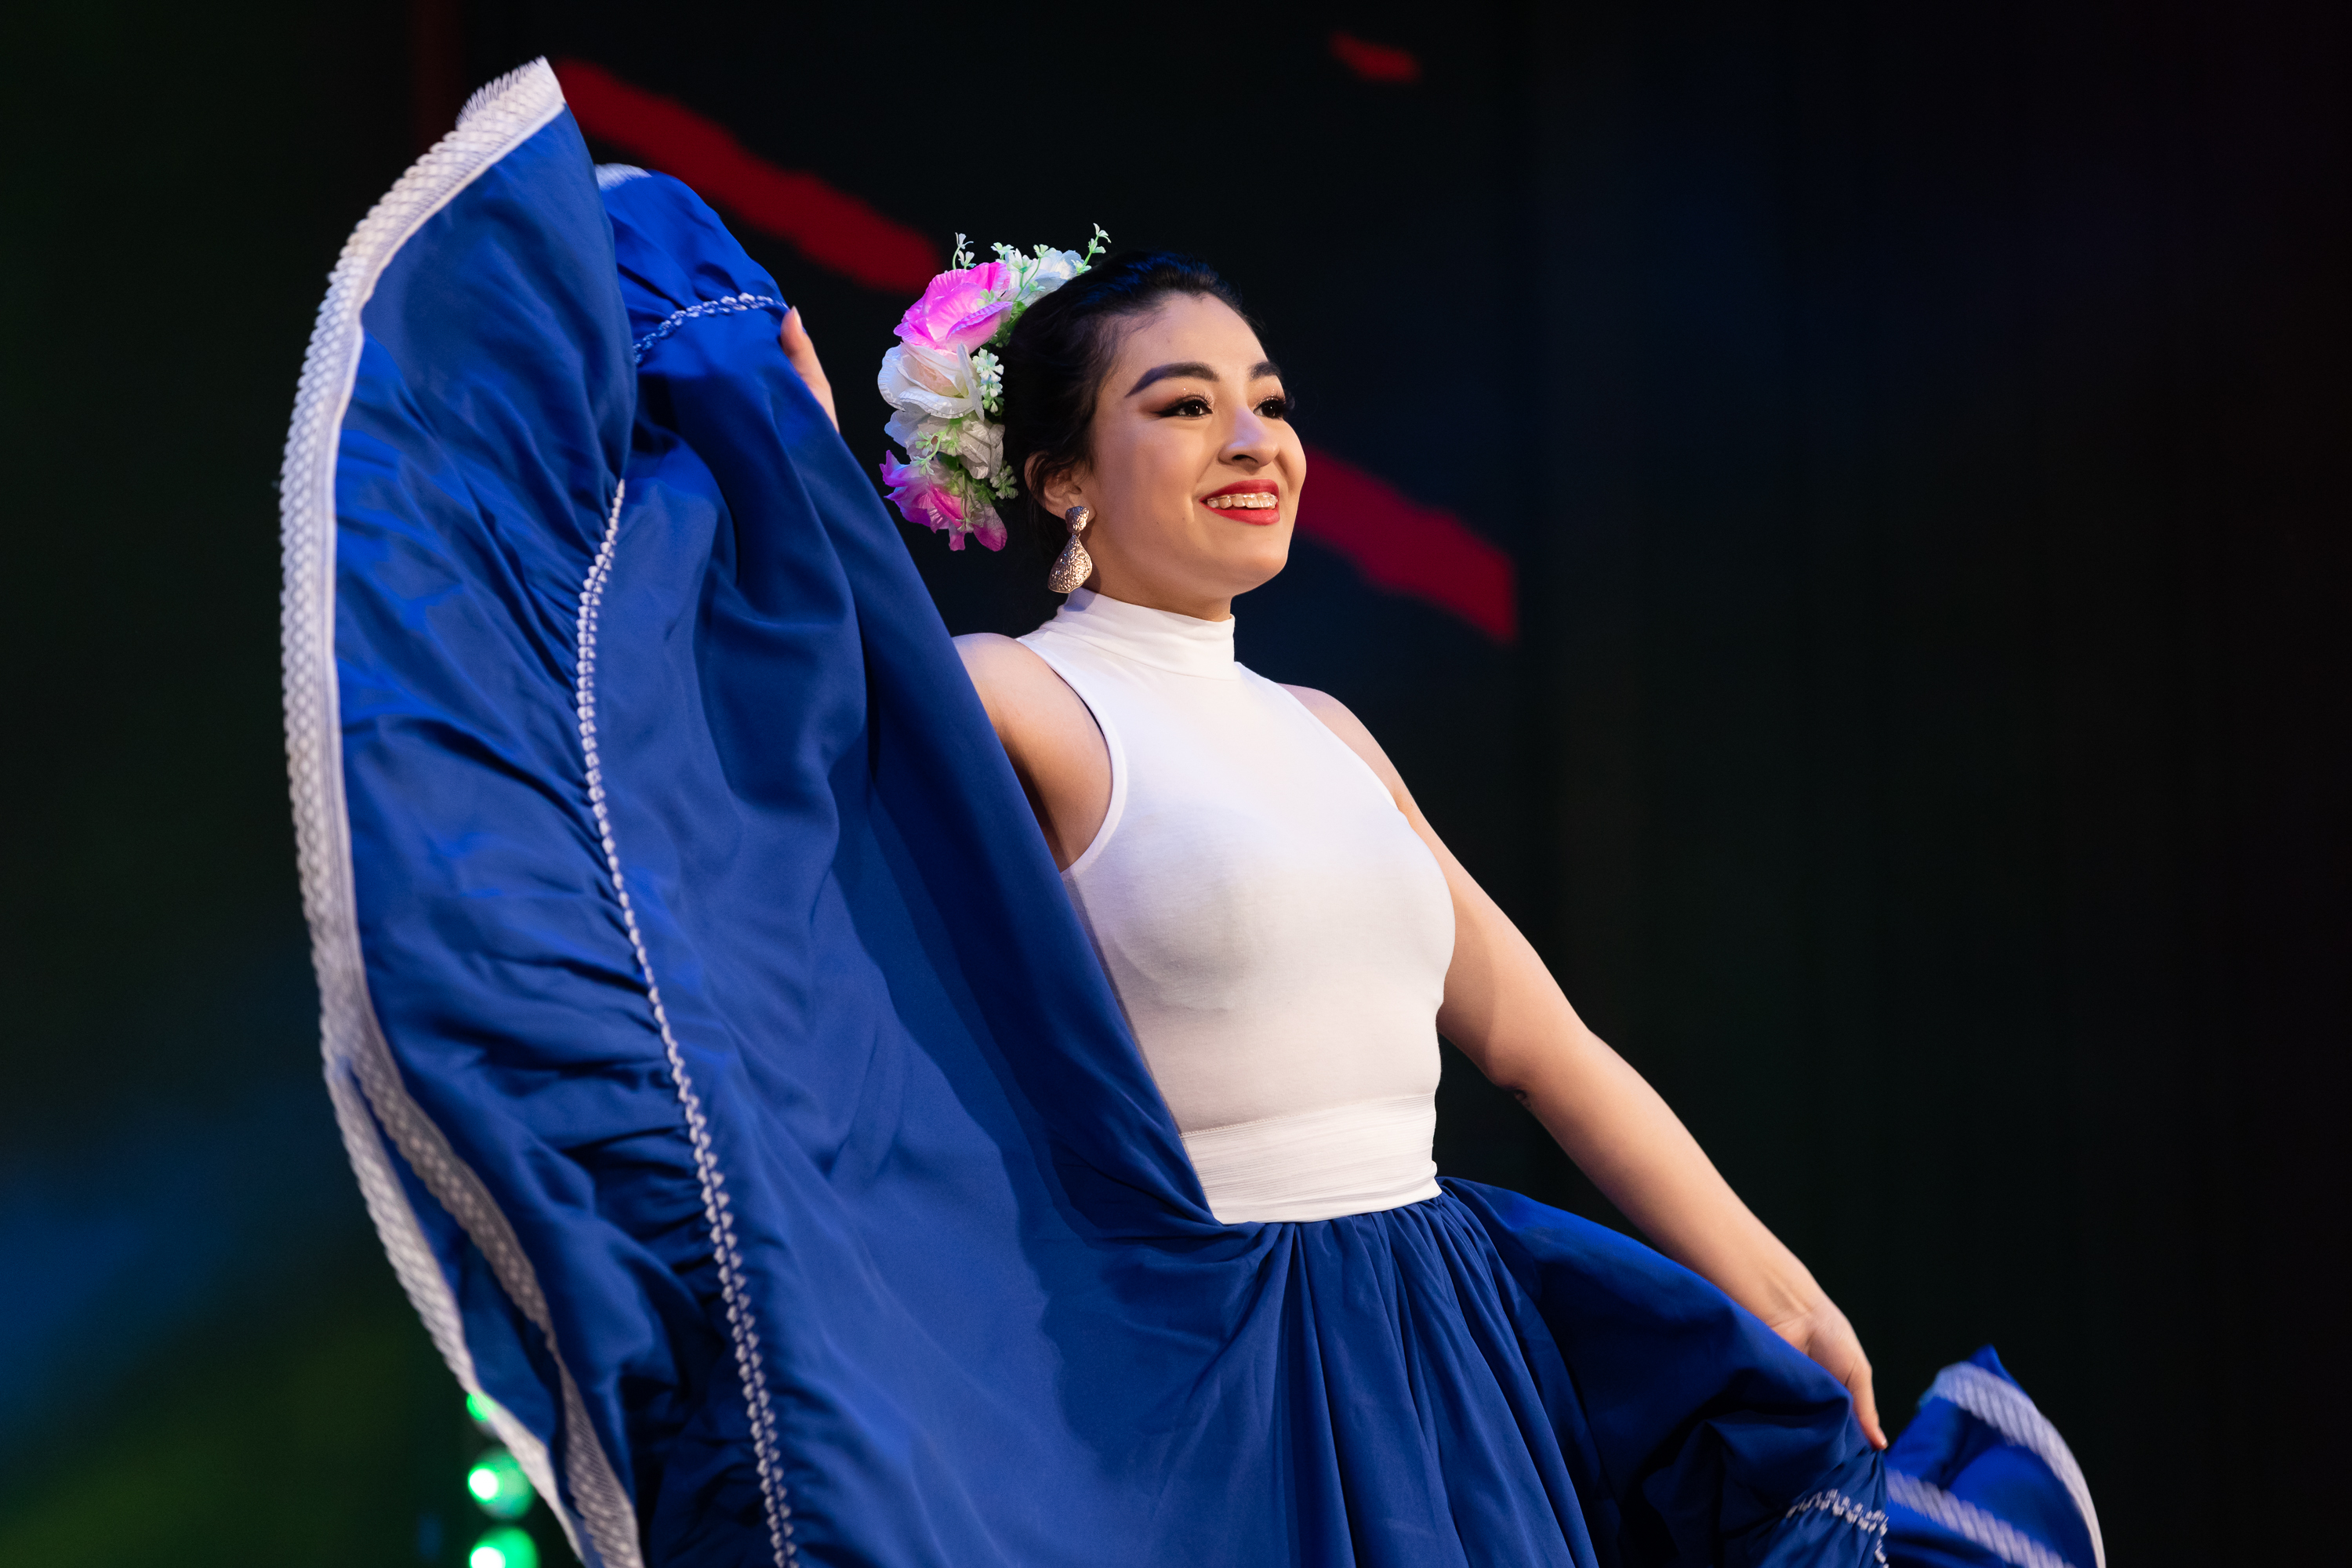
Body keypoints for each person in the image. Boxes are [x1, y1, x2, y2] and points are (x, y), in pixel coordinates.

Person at [285, 60, 2100, 1568]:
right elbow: (778, 712)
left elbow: (1545, 1044)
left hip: (1449, 1347)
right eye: (1183, 404)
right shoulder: (1026, 698)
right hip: (1213, 1379)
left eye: (1270, 402)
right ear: (1063, 476)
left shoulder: (1330, 732)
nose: (1255, 439)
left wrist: (1771, 1284)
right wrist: (778, 434)